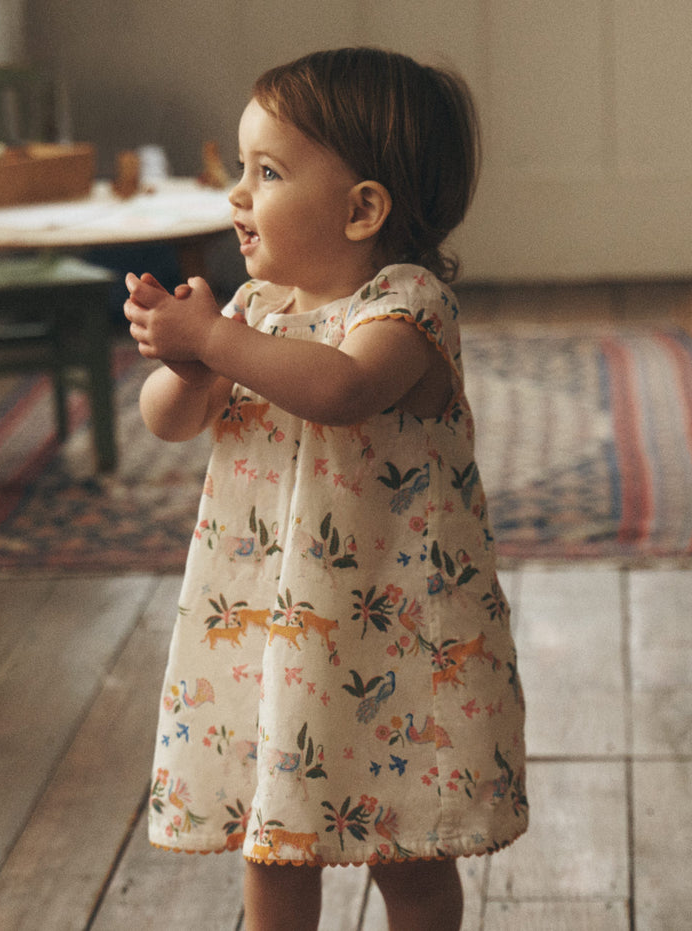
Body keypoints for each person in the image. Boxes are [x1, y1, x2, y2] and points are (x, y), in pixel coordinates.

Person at [124, 46, 528, 931]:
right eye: (242, 167)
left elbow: (339, 390)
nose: (237, 194)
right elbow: (168, 419)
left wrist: (218, 342)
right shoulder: (256, 309)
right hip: (273, 634)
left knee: (407, 850)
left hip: (390, 642)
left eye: (265, 171)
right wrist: (189, 358)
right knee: (273, 846)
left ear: (362, 210)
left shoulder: (407, 308)